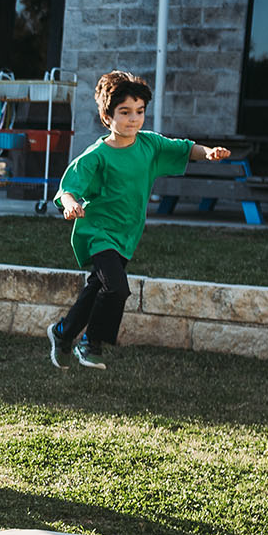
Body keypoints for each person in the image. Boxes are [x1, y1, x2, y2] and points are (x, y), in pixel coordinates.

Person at [47, 70, 230, 370]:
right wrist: (70, 204)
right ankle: (89, 343)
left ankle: (62, 333)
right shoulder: (97, 155)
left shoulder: (150, 146)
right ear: (108, 117)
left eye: (139, 112)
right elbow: (68, 187)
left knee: (97, 288)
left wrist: (207, 152)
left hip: (127, 234)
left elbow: (184, 148)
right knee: (117, 289)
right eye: (124, 112)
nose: (133, 119)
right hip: (99, 232)